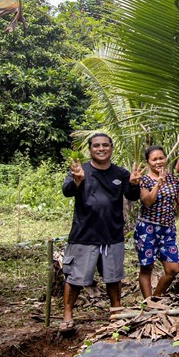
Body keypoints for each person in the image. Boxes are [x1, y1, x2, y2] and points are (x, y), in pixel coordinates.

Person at [60, 133, 142, 330]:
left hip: (112, 235)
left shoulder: (120, 173)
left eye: (105, 145)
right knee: (76, 279)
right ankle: (68, 314)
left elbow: (132, 197)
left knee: (113, 278)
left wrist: (133, 183)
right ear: (90, 149)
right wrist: (77, 180)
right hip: (84, 235)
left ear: (111, 148)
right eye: (96, 146)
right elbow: (67, 190)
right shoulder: (81, 170)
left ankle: (116, 312)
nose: (101, 148)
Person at [135, 145, 179, 299]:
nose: (158, 162)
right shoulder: (144, 180)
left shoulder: (173, 179)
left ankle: (156, 297)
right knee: (146, 267)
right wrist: (158, 184)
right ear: (148, 162)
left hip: (168, 229)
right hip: (147, 228)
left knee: (173, 269)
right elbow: (147, 202)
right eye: (154, 159)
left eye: (161, 158)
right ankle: (148, 302)